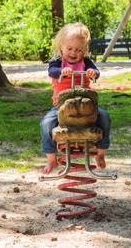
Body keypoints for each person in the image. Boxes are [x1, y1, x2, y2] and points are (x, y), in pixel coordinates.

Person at [40, 22, 111, 175]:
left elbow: (96, 71)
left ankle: (101, 153)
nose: (74, 53)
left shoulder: (85, 62)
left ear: (84, 50)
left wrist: (93, 72)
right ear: (61, 47)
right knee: (46, 123)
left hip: (87, 104)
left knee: (105, 117)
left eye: (79, 50)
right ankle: (51, 157)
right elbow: (52, 71)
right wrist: (61, 71)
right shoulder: (57, 62)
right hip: (61, 106)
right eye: (70, 49)